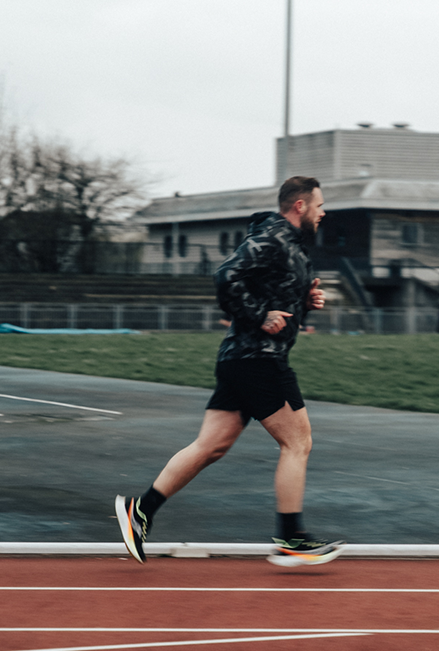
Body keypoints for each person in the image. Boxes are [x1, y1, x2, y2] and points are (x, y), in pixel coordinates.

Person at [116, 176, 344, 567]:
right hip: (259, 359)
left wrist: (307, 299)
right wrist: (261, 315)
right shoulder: (272, 239)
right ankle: (291, 537)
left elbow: (275, 294)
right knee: (298, 443)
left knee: (210, 447)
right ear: (300, 206)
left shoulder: (291, 247)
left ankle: (141, 510)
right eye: (320, 205)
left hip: (243, 358)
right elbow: (226, 276)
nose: (324, 213)